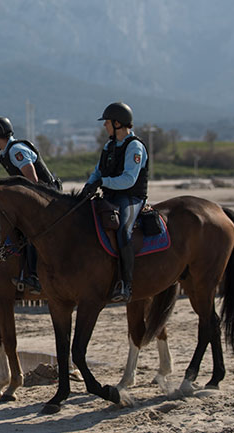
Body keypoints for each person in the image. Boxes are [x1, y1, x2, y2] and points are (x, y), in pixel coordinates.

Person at [0, 116, 61, 296]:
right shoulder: (5, 154)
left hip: (45, 197)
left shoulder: (16, 150)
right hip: (35, 198)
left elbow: (32, 181)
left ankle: (34, 276)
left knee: (31, 232)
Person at [81, 102, 148, 303]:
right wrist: (89, 185)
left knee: (123, 231)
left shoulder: (135, 146)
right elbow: (98, 170)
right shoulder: (109, 145)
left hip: (130, 198)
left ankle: (126, 284)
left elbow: (129, 179)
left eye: (107, 122)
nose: (105, 126)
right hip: (110, 196)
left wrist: (103, 182)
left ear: (118, 123)